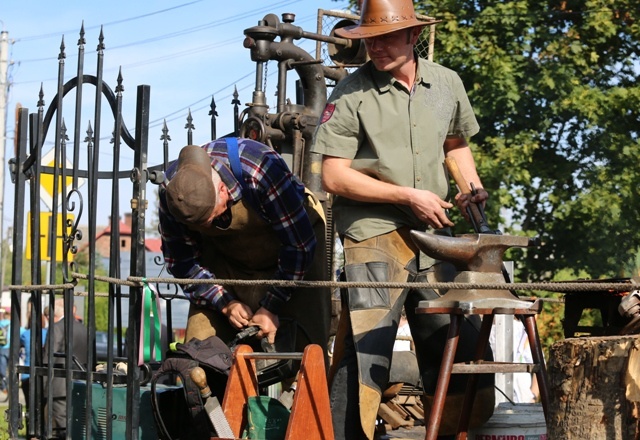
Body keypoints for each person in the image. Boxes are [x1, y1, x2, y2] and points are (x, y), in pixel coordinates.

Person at [311, 0, 495, 438]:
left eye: (386, 37)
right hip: (373, 234)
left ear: (414, 36)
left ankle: (450, 430)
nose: (375, 47)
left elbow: (455, 145)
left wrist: (469, 185)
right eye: (369, 39)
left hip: (437, 235)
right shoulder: (350, 93)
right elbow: (333, 176)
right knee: (367, 352)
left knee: (455, 341)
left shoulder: (447, 83)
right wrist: (407, 195)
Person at [158, 138, 331, 370]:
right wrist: (225, 303)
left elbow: (299, 246)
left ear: (222, 190)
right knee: (199, 362)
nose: (210, 228)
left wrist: (271, 306)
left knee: (305, 362)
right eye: (200, 226)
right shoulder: (172, 194)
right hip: (227, 265)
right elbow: (182, 263)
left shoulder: (260, 168)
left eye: (212, 219)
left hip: (294, 253)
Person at [43, 298, 88, 439]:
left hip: (59, 383)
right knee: (76, 423)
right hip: (81, 382)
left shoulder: (56, 327)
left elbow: (48, 358)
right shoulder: (84, 328)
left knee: (62, 426)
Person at [20, 300, 48, 420]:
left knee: (29, 407)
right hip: (44, 375)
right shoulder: (48, 333)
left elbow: (19, 349)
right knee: (43, 406)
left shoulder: (25, 334)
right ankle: (42, 432)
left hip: (28, 374)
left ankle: (31, 434)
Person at [0, 308, 9, 395]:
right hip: (11, 349)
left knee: (2, 370)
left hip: (2, 348)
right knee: (12, 368)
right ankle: (11, 385)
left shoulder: (1, 324)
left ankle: (4, 387)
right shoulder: (12, 323)